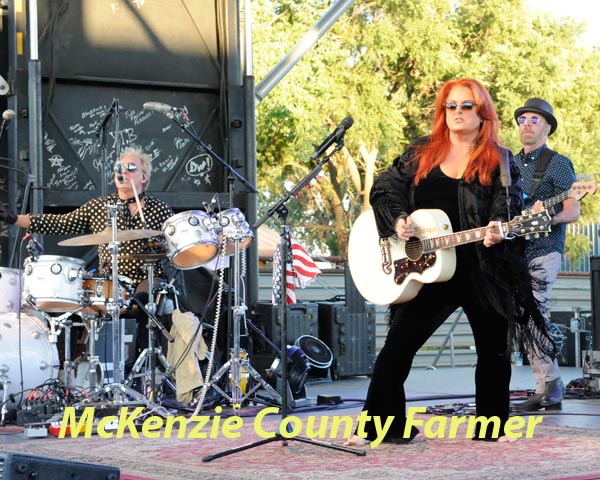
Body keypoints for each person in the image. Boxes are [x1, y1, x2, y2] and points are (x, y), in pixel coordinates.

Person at [344, 78, 552, 446]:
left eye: (466, 106)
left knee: (493, 352)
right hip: (425, 268)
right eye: (450, 106)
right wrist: (397, 219)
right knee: (397, 349)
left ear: (482, 111)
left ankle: (491, 429)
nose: (457, 112)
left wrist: (497, 227)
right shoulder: (422, 152)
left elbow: (508, 201)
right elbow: (384, 187)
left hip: (481, 266)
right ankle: (380, 427)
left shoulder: (499, 158)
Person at [0, 145, 175, 358]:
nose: (123, 171)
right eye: (119, 167)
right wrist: (15, 218)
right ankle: (85, 364)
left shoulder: (160, 209)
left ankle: (147, 364)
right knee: (79, 301)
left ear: (144, 176)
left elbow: (175, 244)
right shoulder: (100, 207)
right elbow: (61, 223)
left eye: (130, 167)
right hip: (110, 281)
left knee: (144, 298)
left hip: (148, 279)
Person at [512, 98, 580, 411]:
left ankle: (550, 385)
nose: (526, 124)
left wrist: (546, 219)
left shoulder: (558, 163)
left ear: (547, 127)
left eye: (534, 120)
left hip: (544, 250)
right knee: (522, 317)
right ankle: (546, 384)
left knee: (535, 311)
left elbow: (572, 210)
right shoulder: (509, 164)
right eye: (522, 119)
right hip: (514, 252)